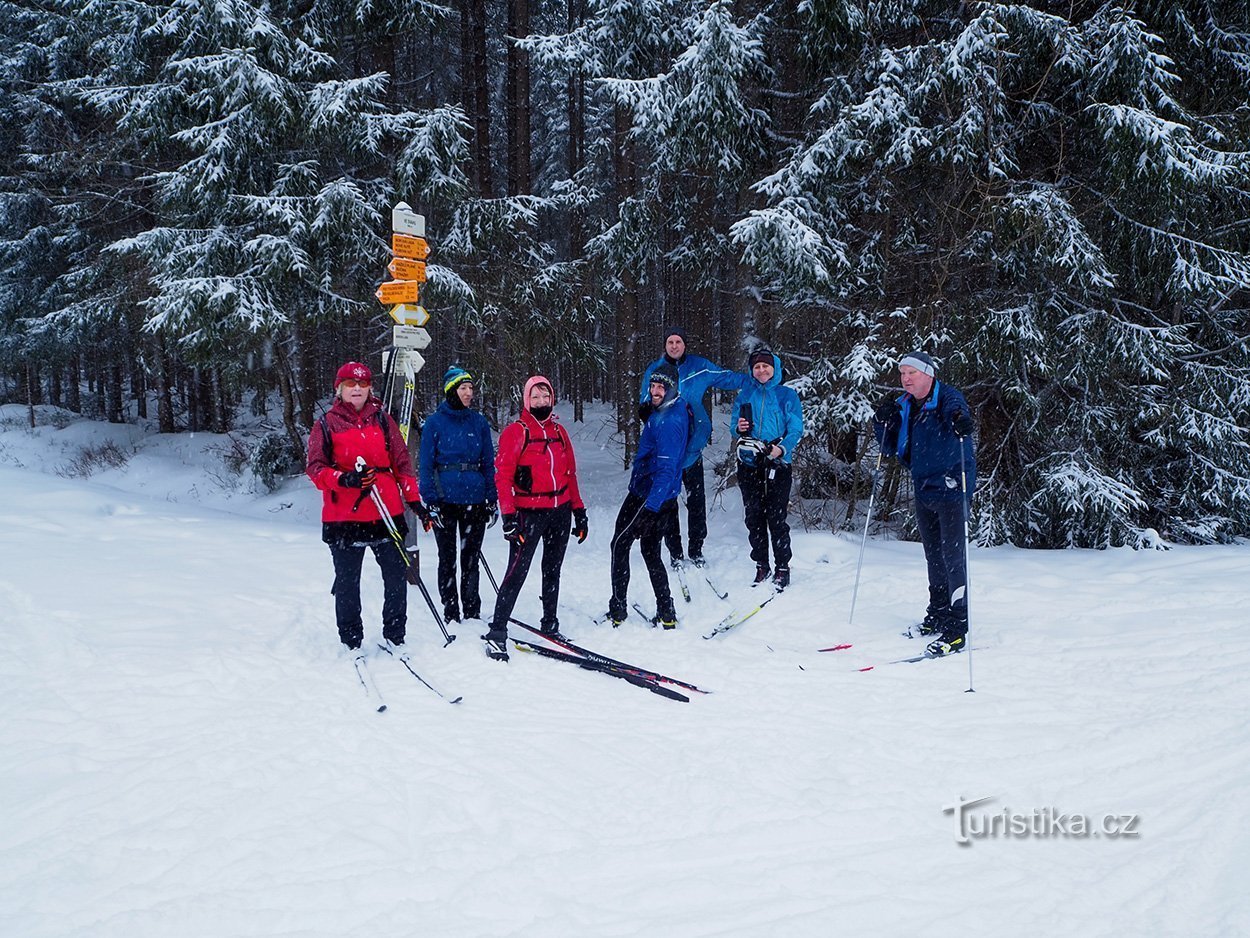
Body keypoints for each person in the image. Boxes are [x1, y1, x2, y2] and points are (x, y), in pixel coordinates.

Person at [306, 361, 425, 656]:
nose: (357, 389)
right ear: (340, 389)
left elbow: (402, 463)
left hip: (387, 511)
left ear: (370, 387)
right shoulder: (326, 424)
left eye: (362, 384)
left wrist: (414, 501)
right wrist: (343, 478)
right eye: (350, 384)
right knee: (348, 581)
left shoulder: (383, 420)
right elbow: (315, 469)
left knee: (396, 577)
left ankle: (395, 635)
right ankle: (351, 639)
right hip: (344, 516)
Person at [872, 350, 976, 657]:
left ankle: (958, 626)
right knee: (932, 553)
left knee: (953, 556)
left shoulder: (946, 397)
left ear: (928, 374)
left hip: (951, 483)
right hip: (923, 485)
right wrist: (882, 420)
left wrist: (960, 420)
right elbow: (889, 447)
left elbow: (956, 411)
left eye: (911, 373)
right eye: (902, 373)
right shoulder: (904, 404)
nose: (905, 379)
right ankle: (938, 612)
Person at [482, 375, 588, 659]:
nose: (541, 402)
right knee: (517, 571)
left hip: (560, 511)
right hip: (528, 513)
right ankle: (497, 631)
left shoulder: (560, 432)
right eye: (535, 397)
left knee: (552, 569)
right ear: (526, 400)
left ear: (551, 398)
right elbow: (502, 477)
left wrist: (579, 511)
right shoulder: (516, 432)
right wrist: (508, 516)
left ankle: (550, 624)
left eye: (545, 397)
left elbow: (570, 474)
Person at [639, 328, 748, 568]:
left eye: (678, 342)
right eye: (670, 342)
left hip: (691, 450)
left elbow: (727, 378)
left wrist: (757, 378)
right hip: (667, 453)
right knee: (669, 503)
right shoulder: (654, 369)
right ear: (665, 345)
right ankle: (675, 552)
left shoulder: (699, 367)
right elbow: (645, 402)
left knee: (697, 501)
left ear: (685, 345)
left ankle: (696, 549)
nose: (674, 346)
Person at [607, 362, 689, 628]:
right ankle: (667, 612)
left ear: (672, 389)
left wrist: (650, 508)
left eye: (660, 387)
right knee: (650, 551)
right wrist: (650, 419)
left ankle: (618, 610)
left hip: (649, 495)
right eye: (653, 386)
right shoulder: (672, 409)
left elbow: (666, 469)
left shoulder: (669, 421)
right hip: (663, 496)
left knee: (620, 545)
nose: (654, 391)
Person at [418, 366, 498, 625]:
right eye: (463, 388)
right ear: (451, 390)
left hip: (474, 499)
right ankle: (451, 610)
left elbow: (488, 462)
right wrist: (430, 502)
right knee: (448, 558)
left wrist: (491, 497)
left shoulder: (478, 422)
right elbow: (426, 465)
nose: (468, 393)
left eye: (471, 388)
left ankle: (472, 610)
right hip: (445, 500)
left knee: (471, 558)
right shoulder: (434, 423)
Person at [731, 348, 805, 591]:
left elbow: (796, 428)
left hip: (778, 464)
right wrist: (740, 428)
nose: (761, 371)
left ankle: (782, 566)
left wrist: (780, 449)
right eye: (757, 367)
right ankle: (761, 565)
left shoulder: (787, 395)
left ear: (774, 368)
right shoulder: (745, 394)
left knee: (776, 517)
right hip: (750, 464)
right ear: (752, 370)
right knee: (754, 516)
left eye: (766, 366)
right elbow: (734, 427)